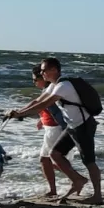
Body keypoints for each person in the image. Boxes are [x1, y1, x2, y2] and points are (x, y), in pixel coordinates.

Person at [8, 57, 102, 203]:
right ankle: (78, 180)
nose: (42, 73)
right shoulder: (54, 84)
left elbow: (43, 105)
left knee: (89, 161)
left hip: (83, 126)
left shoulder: (63, 86)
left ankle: (97, 196)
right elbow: (37, 101)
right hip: (72, 126)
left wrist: (21, 114)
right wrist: (18, 111)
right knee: (55, 154)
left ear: (54, 70)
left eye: (44, 70)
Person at [31, 64, 65, 197]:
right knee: (52, 161)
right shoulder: (50, 89)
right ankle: (75, 179)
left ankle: (74, 180)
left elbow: (55, 111)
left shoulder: (49, 91)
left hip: (54, 130)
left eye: (35, 79)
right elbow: (50, 110)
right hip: (52, 128)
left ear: (43, 78)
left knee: (45, 160)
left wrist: (20, 113)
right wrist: (41, 121)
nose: (34, 82)